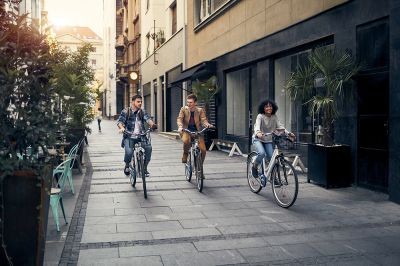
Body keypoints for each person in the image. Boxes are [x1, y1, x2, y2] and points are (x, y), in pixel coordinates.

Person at [251, 99, 295, 177]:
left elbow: (280, 127)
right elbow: (257, 126)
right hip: (258, 139)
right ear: (263, 108)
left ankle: (273, 178)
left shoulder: (274, 117)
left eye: (270, 106)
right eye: (266, 106)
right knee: (261, 153)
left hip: (268, 140)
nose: (269, 108)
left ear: (273, 107)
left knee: (272, 159)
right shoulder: (260, 116)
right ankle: (254, 166)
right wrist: (258, 132)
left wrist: (289, 133)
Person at [117, 94, 157, 177]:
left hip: (141, 136)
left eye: (141, 101)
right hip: (129, 136)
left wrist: (152, 125)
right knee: (129, 152)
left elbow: (148, 119)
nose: (140, 103)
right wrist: (122, 128)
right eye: (138, 101)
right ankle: (127, 165)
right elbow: (120, 122)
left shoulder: (143, 112)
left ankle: (144, 168)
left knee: (148, 149)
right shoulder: (126, 111)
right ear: (133, 102)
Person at [177, 94, 214, 164]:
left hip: (197, 132)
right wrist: (180, 126)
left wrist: (207, 125)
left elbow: (203, 120)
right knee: (186, 141)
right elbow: (180, 118)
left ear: (195, 103)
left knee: (203, 150)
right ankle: (185, 153)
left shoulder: (200, 110)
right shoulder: (183, 109)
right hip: (186, 130)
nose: (188, 104)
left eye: (190, 102)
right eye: (188, 102)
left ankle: (200, 167)